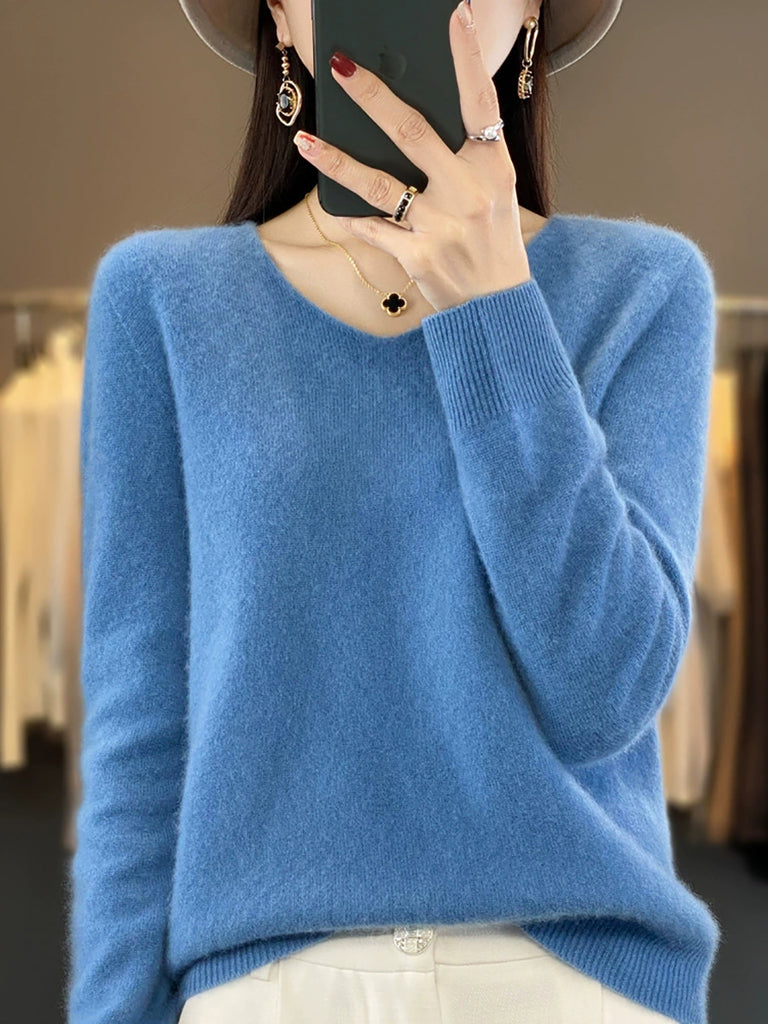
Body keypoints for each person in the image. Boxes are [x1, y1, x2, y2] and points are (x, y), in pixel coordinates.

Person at [65, 1, 723, 1023]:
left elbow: (607, 691)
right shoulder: (161, 299)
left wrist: (494, 308)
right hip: (268, 991)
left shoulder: (645, 289)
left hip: (576, 983)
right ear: (282, 18)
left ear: (532, 17)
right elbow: (138, 729)